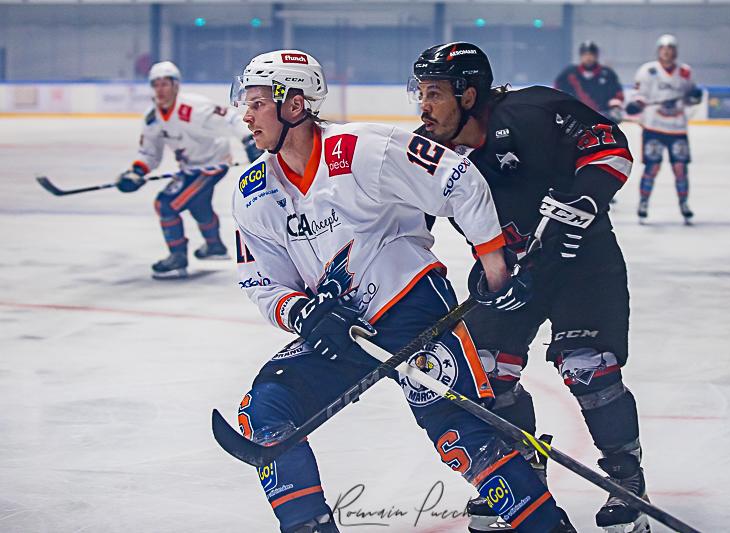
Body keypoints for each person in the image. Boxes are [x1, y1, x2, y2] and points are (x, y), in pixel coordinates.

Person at [230, 49, 576, 533]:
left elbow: (458, 179)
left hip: (411, 311)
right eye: (243, 101)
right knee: (264, 410)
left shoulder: (360, 148)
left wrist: (493, 260)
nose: (245, 114)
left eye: (258, 101)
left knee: (464, 439)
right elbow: (262, 282)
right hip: (338, 330)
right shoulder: (253, 192)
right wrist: (303, 315)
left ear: (294, 105)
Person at [409, 42, 649, 533]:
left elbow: (609, 147)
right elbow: (404, 222)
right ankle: (521, 475)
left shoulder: (534, 111)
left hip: (583, 262)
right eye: (420, 93)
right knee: (487, 373)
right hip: (505, 272)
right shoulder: (425, 151)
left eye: (434, 93)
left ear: (469, 94)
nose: (423, 106)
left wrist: (586, 195)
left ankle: (627, 480)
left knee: (589, 370)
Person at [116, 61, 263, 278]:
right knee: (199, 205)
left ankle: (178, 258)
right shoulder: (153, 117)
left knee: (165, 204)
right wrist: (137, 171)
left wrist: (248, 140)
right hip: (190, 167)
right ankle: (214, 246)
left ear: (176, 85)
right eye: (156, 84)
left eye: (165, 83)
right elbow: (149, 153)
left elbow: (231, 118)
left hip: (212, 165)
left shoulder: (194, 107)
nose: (160, 89)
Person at [625, 34, 703, 224]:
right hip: (653, 128)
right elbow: (639, 94)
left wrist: (695, 96)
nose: (667, 51)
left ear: (675, 51)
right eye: (664, 48)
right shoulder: (648, 71)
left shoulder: (685, 72)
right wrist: (637, 105)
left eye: (671, 48)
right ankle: (643, 203)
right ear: (659, 50)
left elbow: (692, 97)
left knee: (680, 169)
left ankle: (684, 204)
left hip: (677, 129)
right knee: (652, 167)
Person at [555, 41, 624, 123]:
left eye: (591, 54)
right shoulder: (569, 73)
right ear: (581, 56)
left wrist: (615, 109)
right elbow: (557, 92)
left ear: (596, 56)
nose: (588, 58)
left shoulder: (608, 74)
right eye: (585, 54)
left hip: (602, 119)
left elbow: (617, 94)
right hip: (575, 119)